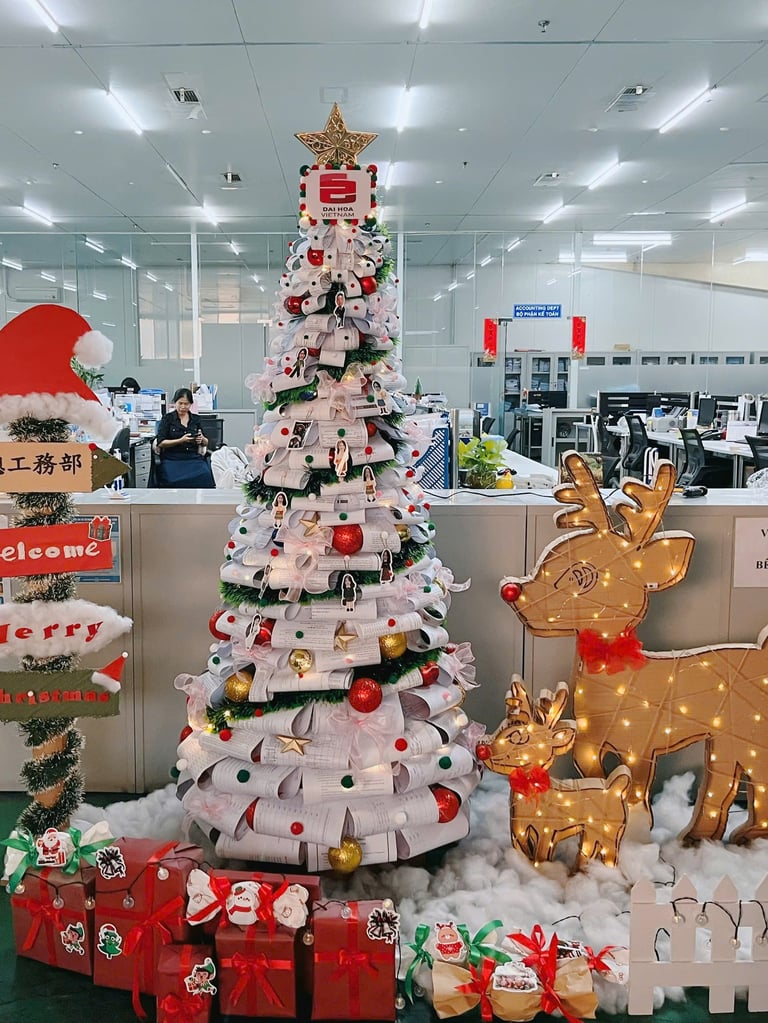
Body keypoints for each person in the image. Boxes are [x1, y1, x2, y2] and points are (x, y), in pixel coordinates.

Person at [154, 387, 214, 488]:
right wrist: (180, 440)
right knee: (171, 479)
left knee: (205, 475)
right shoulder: (167, 419)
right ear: (175, 403)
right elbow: (160, 442)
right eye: (180, 403)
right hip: (173, 459)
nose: (183, 407)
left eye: (186, 404)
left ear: (191, 404)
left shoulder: (196, 419)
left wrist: (202, 439)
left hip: (193, 458)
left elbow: (206, 441)